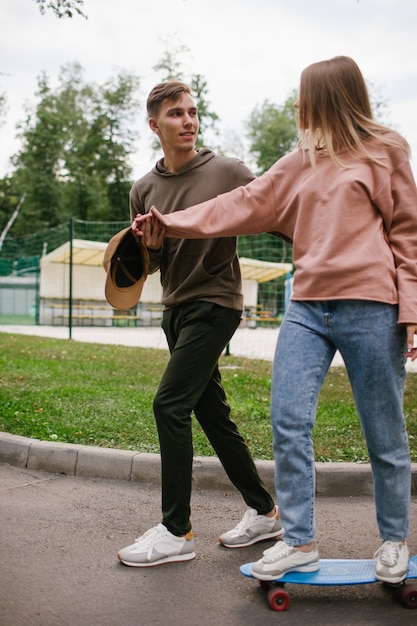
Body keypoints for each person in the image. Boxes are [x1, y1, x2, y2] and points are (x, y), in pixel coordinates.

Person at [135, 57, 417, 583]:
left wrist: (413, 309)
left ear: (328, 97)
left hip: (372, 307)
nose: (297, 105)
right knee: (288, 422)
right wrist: (167, 222)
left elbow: (407, 232)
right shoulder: (298, 163)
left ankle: (394, 540)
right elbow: (236, 204)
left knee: (384, 432)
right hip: (308, 307)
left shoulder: (386, 150)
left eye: (304, 95)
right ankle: (298, 540)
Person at [117, 81, 282, 568]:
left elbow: (274, 212)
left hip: (217, 303)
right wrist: (148, 247)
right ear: (155, 125)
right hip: (177, 308)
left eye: (192, 112)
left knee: (169, 404)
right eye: (175, 114)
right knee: (212, 415)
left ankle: (176, 531)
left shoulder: (228, 170)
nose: (188, 121)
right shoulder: (144, 189)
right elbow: (147, 265)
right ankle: (264, 511)